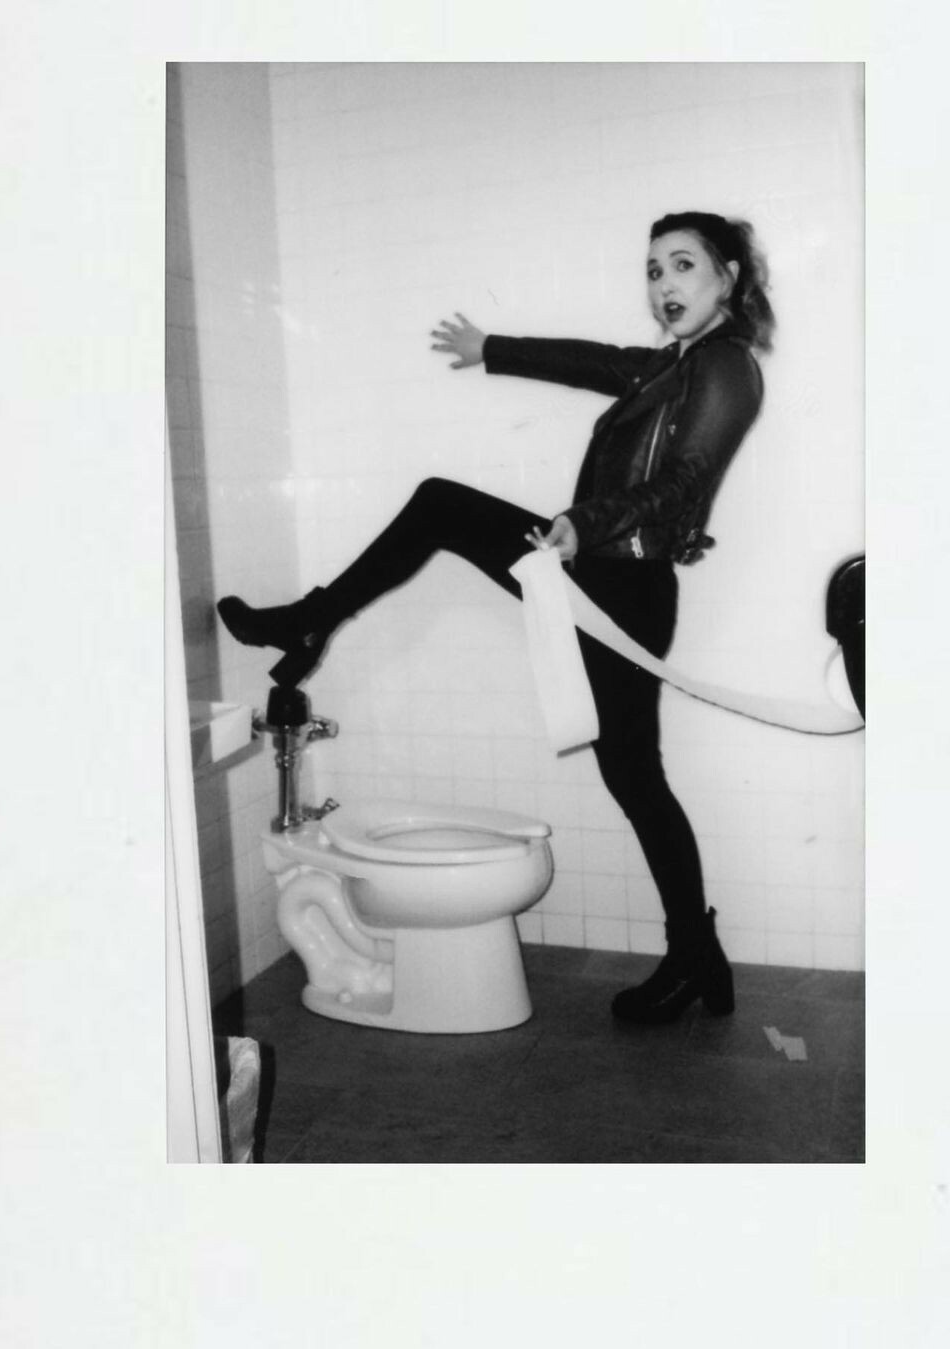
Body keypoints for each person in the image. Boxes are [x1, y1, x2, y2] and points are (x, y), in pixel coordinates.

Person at [217, 211, 774, 1025]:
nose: (663, 284)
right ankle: (698, 955)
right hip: (601, 570)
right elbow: (595, 361)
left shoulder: (727, 366)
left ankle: (309, 622)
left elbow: (685, 481)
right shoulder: (672, 366)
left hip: (623, 582)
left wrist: (585, 521)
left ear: (728, 275)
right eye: (653, 269)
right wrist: (493, 349)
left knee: (633, 772)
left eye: (683, 265)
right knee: (635, 775)